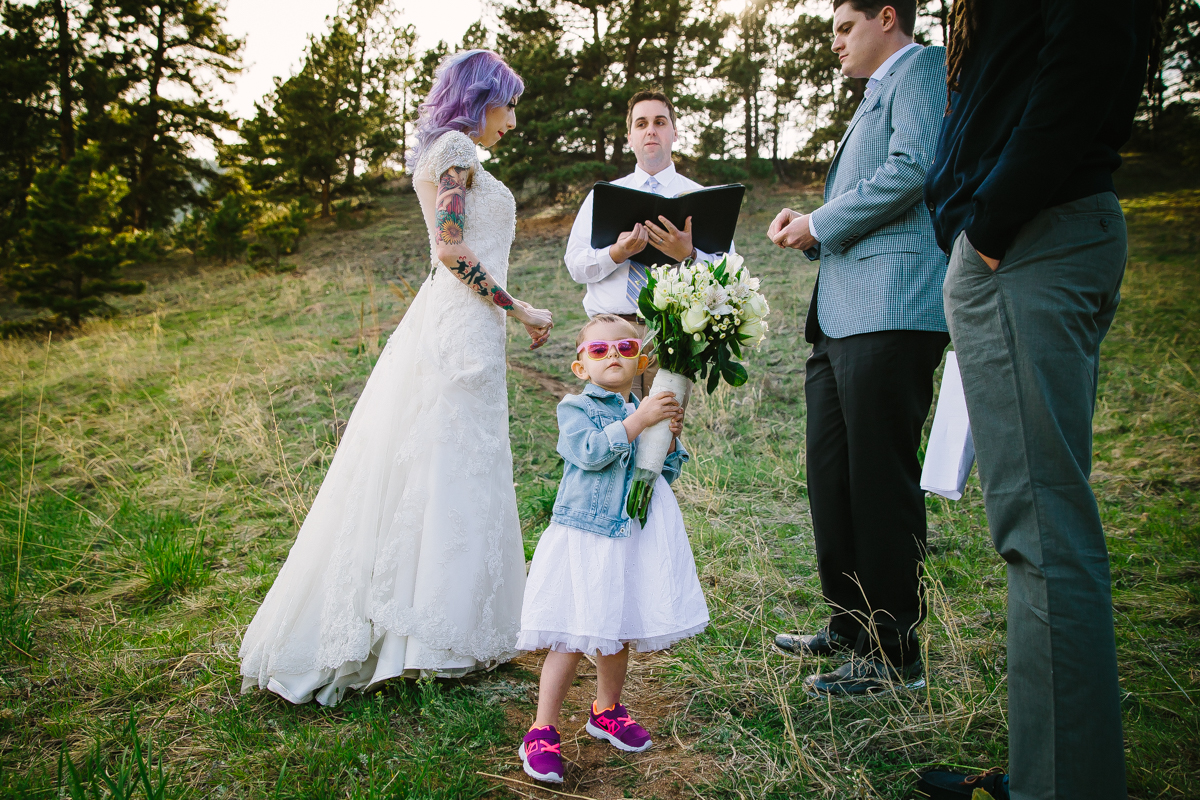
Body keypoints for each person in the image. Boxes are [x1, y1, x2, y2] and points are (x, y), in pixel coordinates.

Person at [238, 50, 554, 706]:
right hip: (458, 329)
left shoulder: (450, 149)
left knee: (455, 467)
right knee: (445, 468)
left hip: (465, 328)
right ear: (482, 98)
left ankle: (450, 629)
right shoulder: (458, 149)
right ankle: (432, 638)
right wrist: (517, 306)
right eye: (510, 104)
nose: (514, 122)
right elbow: (451, 249)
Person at [918, 1, 1159, 797]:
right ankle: (1045, 770)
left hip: (1028, 240)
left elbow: (1085, 57)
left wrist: (989, 226)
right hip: (1029, 237)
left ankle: (1059, 787)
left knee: (1043, 533)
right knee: (1043, 529)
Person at [766, 0, 948, 696]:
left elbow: (912, 169)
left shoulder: (920, 69)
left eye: (845, 28)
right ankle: (849, 623)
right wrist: (813, 230)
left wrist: (819, 220)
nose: (836, 43)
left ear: (887, 17)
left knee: (879, 480)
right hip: (839, 316)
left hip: (895, 309)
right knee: (833, 477)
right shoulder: (872, 96)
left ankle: (896, 654)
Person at [516, 314, 709, 784]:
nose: (614, 356)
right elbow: (587, 453)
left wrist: (669, 438)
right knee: (573, 632)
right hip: (588, 534)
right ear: (581, 367)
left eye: (625, 347)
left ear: (642, 360)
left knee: (616, 625)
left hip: (633, 536)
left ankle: (605, 709)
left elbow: (666, 472)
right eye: (599, 351)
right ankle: (541, 730)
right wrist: (638, 421)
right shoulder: (576, 408)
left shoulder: (647, 404)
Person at [564, 90, 735, 400]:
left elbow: (730, 275)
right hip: (612, 336)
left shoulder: (704, 198)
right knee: (613, 433)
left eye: (660, 121)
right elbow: (575, 266)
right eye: (641, 124)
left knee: (662, 441)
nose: (651, 130)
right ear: (630, 137)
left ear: (674, 132)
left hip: (673, 333)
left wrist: (689, 255)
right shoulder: (603, 196)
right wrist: (615, 254)